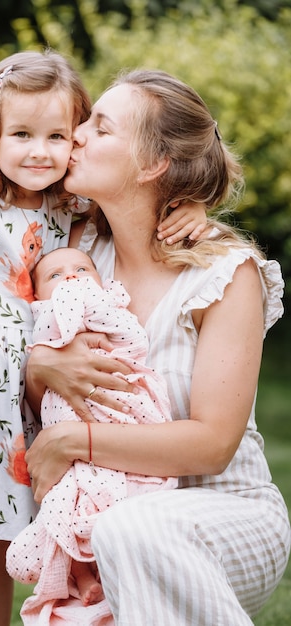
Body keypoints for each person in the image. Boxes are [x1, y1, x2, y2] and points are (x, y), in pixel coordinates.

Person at [0, 48, 206, 626]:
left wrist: (192, 203)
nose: (39, 151)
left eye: (57, 135)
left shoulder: (64, 205)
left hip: (21, 399)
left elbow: (145, 193)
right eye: (21, 134)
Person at [24, 69, 291, 625]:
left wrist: (75, 440)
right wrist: (41, 363)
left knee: (132, 527)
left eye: (101, 128)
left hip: (225, 513)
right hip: (107, 509)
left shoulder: (224, 273)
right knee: (110, 546)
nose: (75, 135)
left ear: (151, 165)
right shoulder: (74, 256)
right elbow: (38, 393)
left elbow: (213, 444)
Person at [6, 247, 178, 623]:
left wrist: (93, 301)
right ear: (36, 296)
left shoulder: (112, 307)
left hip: (112, 415)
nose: (70, 278)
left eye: (82, 269)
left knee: (102, 496)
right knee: (61, 500)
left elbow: (133, 342)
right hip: (63, 424)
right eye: (55, 276)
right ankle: (81, 576)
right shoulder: (42, 318)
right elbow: (47, 348)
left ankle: (99, 569)